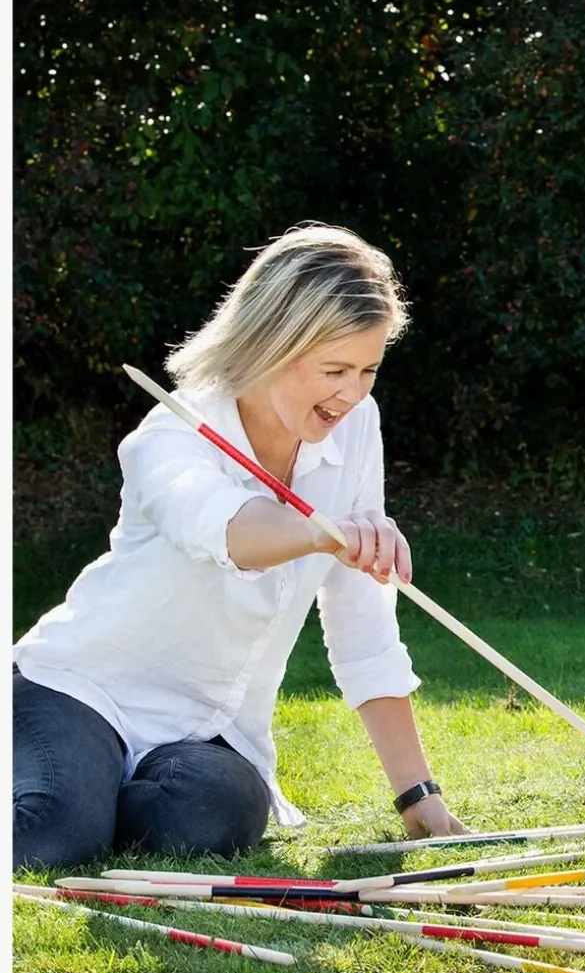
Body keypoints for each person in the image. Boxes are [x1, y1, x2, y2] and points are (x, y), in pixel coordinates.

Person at [13, 223, 464, 870]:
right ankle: (68, 788)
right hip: (81, 688)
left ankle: (90, 790)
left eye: (368, 369)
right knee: (55, 833)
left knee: (215, 817)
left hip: (205, 730)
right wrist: (322, 533)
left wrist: (418, 793)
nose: (353, 392)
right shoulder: (172, 432)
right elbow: (227, 530)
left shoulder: (356, 425)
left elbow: (363, 627)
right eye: (334, 370)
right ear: (272, 344)